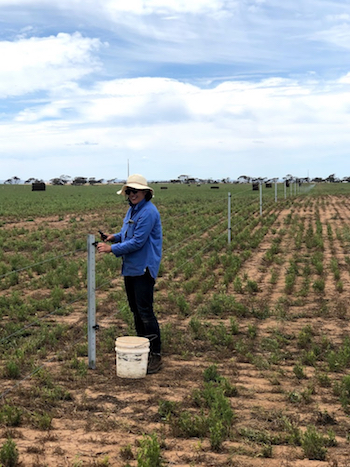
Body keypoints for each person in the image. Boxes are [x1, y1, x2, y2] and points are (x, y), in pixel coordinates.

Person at [97, 174, 163, 374]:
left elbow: (138, 242)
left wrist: (111, 249)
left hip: (143, 268)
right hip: (131, 267)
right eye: (129, 191)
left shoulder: (149, 212)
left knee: (145, 311)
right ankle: (141, 347)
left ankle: (155, 354)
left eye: (135, 191)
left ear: (145, 193)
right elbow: (128, 234)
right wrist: (114, 237)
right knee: (135, 310)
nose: (132, 194)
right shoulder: (132, 210)